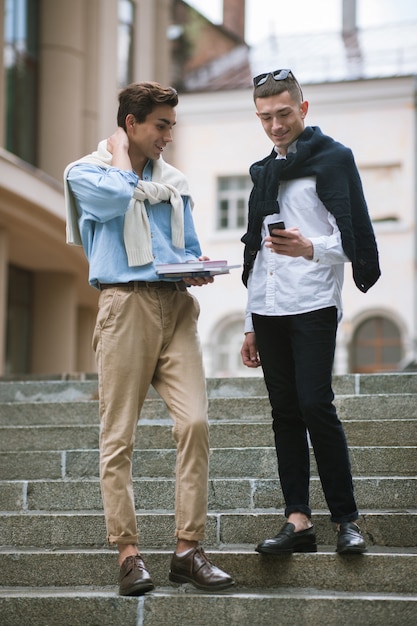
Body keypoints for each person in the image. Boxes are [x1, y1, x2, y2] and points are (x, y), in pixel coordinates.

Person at [64, 82, 235, 596]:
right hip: (125, 306)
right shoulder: (85, 172)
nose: (168, 137)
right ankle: (128, 553)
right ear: (131, 123)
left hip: (175, 308)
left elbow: (191, 246)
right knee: (118, 436)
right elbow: (117, 199)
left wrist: (197, 270)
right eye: (161, 126)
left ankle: (188, 549)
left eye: (172, 127)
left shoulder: (174, 183)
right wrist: (119, 152)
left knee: (197, 423)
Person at [240, 69, 381, 556]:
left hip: (314, 301)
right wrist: (248, 323)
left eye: (283, 114)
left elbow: (356, 239)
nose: (276, 125)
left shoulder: (334, 159)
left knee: (316, 404)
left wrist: (309, 248)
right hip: (268, 307)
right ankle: (298, 520)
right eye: (265, 118)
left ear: (303, 109)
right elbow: (256, 250)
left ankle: (347, 519)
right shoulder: (261, 172)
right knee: (284, 413)